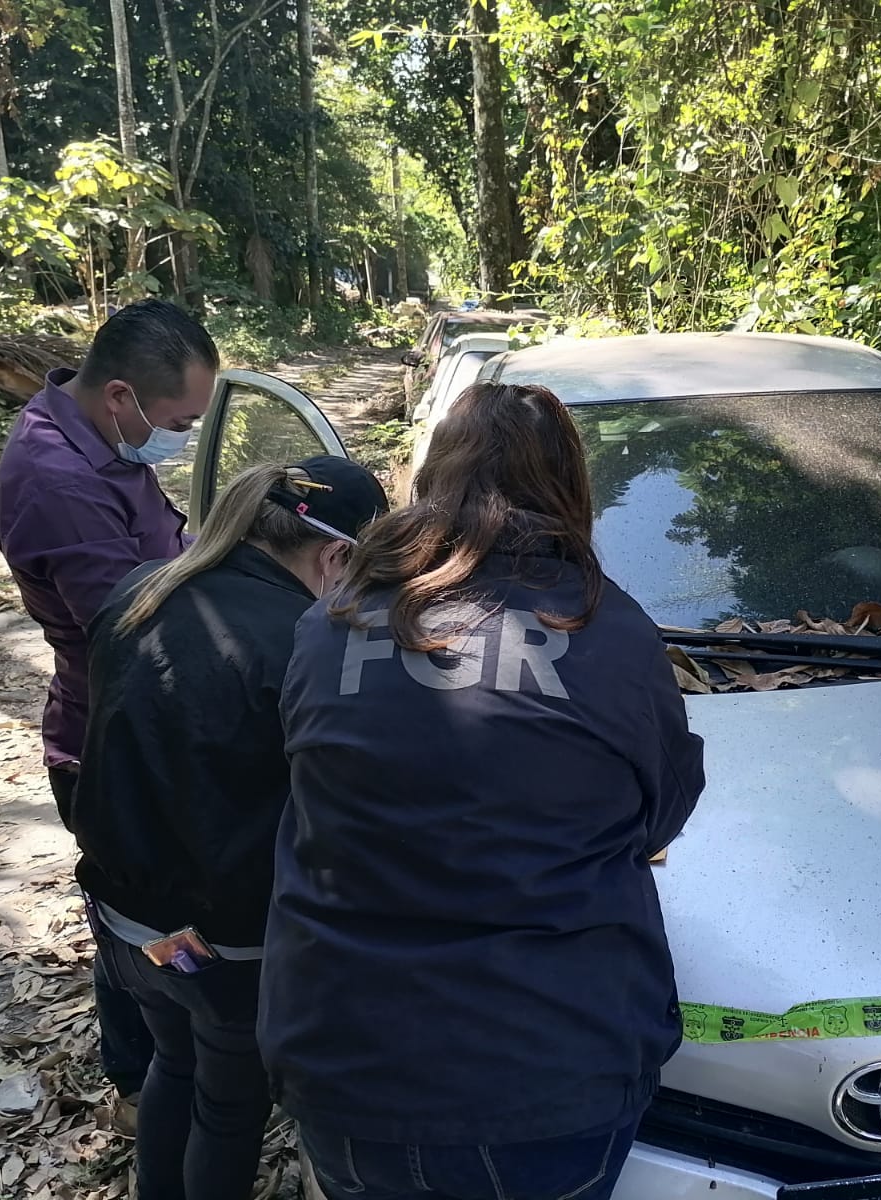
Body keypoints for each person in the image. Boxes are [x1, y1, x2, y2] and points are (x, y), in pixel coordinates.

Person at [261, 383, 706, 1200]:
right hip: (546, 1079)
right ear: (568, 486)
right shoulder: (605, 629)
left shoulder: (331, 622)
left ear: (433, 476)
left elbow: (315, 782)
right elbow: (663, 812)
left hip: (345, 1064)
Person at [69, 456, 389, 1200]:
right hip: (225, 941)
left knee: (173, 1063)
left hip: (122, 917)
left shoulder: (142, 589)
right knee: (228, 1102)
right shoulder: (304, 639)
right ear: (335, 557)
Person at [0, 298, 219, 1100]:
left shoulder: (97, 432)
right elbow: (135, 631)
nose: (183, 436)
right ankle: (143, 1079)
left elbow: (161, 553)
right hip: (116, 740)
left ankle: (160, 1056)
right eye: (180, 422)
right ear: (121, 396)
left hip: (133, 720)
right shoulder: (57, 480)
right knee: (145, 921)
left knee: (150, 905)